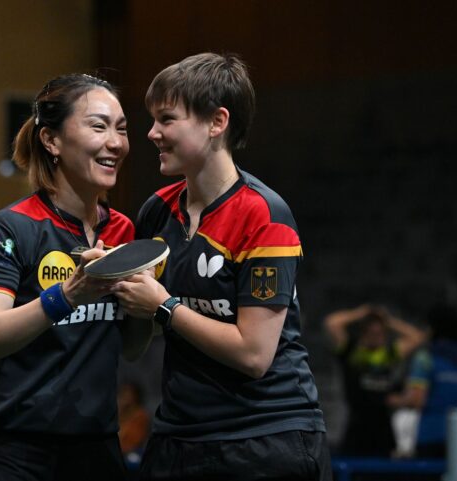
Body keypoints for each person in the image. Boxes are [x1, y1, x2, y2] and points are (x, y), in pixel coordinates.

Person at [113, 52, 331, 480]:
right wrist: (111, 282)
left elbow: (253, 354)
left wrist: (164, 306)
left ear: (217, 122)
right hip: (178, 437)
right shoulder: (156, 212)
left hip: (266, 438)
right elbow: (140, 335)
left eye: (167, 119)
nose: (152, 133)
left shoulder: (264, 215)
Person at [0, 73, 136, 480]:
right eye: (98, 126)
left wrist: (151, 307)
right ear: (51, 140)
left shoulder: (125, 232)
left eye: (122, 128)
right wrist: (68, 295)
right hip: (13, 450)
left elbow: (130, 347)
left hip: (96, 448)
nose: (115, 142)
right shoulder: (8, 229)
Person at [324, 303, 424, 457]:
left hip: (383, 429)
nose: (376, 337)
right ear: (364, 333)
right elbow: (332, 323)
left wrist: (388, 320)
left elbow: (416, 337)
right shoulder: (351, 351)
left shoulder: (389, 353)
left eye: (380, 333)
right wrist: (360, 313)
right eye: (372, 333)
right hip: (356, 427)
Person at [388, 304, 457, 458]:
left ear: (433, 328)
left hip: (431, 438)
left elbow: (417, 400)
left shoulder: (426, 358)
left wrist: (391, 400)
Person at [116, 382, 150, 458]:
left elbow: (134, 441)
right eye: (122, 393)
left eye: (128, 393)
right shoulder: (118, 414)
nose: (124, 397)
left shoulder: (140, 416)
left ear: (135, 396)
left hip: (132, 454)